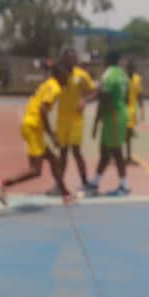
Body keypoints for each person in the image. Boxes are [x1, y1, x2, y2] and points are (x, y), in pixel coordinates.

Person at [0, 63, 73, 206]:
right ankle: (2, 184)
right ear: (60, 75)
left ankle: (65, 193)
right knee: (36, 170)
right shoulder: (55, 89)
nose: (69, 79)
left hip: (31, 125)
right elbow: (43, 110)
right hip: (33, 127)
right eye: (67, 75)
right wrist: (52, 135)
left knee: (53, 159)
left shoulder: (48, 83)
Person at [51, 48, 96, 195]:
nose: (70, 60)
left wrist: (85, 100)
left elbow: (94, 91)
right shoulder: (58, 75)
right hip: (61, 120)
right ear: (63, 59)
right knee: (62, 153)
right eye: (67, 58)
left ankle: (85, 183)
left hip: (76, 120)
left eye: (72, 58)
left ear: (75, 59)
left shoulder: (81, 75)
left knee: (76, 152)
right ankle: (59, 185)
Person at [86, 51, 131, 196]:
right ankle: (95, 182)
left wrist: (86, 102)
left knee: (116, 152)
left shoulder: (109, 74)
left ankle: (124, 185)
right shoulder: (123, 75)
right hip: (118, 114)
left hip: (113, 116)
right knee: (105, 151)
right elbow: (126, 98)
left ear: (107, 60)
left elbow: (103, 96)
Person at [126, 60, 144, 165]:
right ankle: (115, 156)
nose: (132, 70)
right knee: (123, 134)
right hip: (122, 109)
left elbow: (139, 94)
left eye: (133, 68)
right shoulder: (123, 79)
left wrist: (142, 109)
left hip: (132, 111)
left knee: (128, 135)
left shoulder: (137, 79)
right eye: (130, 68)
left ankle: (128, 157)